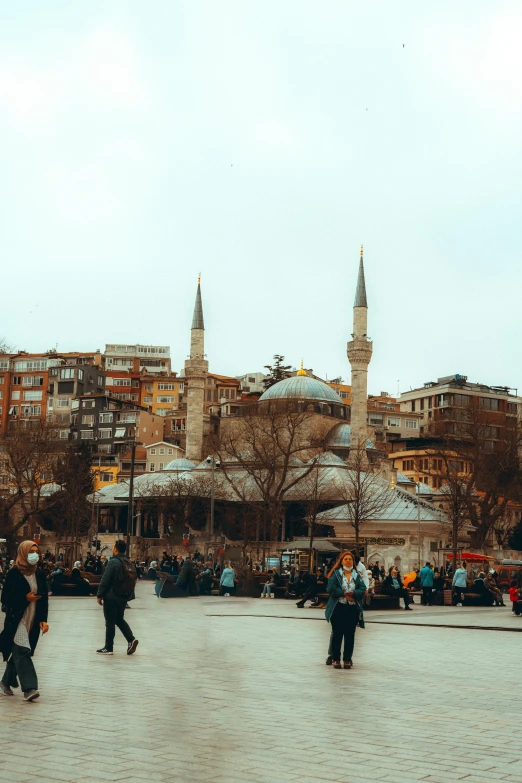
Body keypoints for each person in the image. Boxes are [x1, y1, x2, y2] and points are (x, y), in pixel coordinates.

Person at [0, 541, 49, 702]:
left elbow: (44, 599)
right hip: (17, 619)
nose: (34, 555)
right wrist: (24, 598)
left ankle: (5, 682)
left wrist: (43, 619)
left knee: (19, 652)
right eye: (31, 552)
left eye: (36, 551)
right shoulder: (15, 573)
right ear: (23, 553)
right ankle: (29, 688)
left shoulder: (38, 572)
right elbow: (5, 598)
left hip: (32, 618)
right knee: (23, 650)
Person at [325, 551, 366, 669]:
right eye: (345, 559)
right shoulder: (336, 574)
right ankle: (336, 659)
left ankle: (347, 659)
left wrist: (353, 594)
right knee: (337, 633)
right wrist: (344, 593)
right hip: (338, 607)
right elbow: (330, 588)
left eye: (350, 559)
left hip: (352, 607)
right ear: (341, 561)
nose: (348, 561)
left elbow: (362, 588)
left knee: (350, 635)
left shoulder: (356, 575)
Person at [96, 541, 138, 656]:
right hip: (123, 596)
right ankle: (131, 639)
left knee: (110, 621)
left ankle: (108, 647)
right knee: (119, 619)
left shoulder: (113, 562)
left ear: (115, 549)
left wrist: (99, 595)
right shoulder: (128, 562)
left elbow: (105, 579)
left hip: (111, 596)